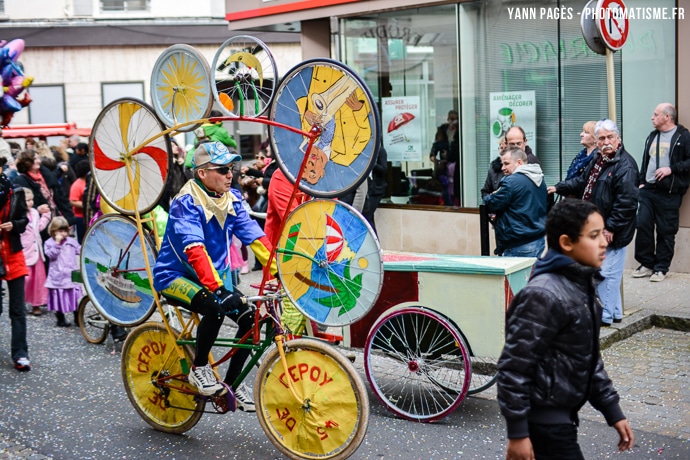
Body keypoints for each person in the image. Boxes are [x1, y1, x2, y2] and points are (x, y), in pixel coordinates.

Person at [497, 198, 634, 460]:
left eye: (603, 233)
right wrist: (518, 434)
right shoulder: (544, 294)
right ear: (566, 243)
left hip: (562, 420)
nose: (604, 242)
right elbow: (514, 367)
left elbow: (586, 357)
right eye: (594, 236)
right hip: (545, 425)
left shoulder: (582, 287)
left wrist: (612, 410)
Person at [153, 141, 274, 410]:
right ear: (202, 173)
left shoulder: (233, 198)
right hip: (174, 276)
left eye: (231, 168)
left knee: (252, 319)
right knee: (215, 307)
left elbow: (254, 236)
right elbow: (194, 250)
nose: (230, 174)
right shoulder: (186, 201)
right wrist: (219, 289)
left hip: (211, 279)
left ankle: (231, 384)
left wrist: (280, 270)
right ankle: (199, 367)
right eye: (222, 169)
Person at [548, 119, 639, 326]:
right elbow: (582, 182)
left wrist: (611, 227)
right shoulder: (598, 159)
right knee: (609, 273)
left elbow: (627, 203)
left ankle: (603, 318)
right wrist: (559, 187)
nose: (606, 142)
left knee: (606, 274)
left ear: (618, 139)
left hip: (611, 230)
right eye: (602, 138)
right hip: (597, 226)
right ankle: (614, 313)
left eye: (610, 137)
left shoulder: (625, 165)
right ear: (597, 141)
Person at [633, 103, 690, 282]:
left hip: (670, 191)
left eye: (656, 114)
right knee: (642, 225)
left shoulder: (683, 136)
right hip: (648, 189)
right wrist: (641, 182)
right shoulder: (652, 136)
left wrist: (671, 169)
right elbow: (645, 160)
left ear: (667, 117)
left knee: (666, 230)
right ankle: (647, 264)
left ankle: (661, 268)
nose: (652, 117)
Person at [482, 147, 547, 257]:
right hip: (538, 240)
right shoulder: (539, 178)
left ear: (519, 162)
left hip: (519, 243)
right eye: (502, 164)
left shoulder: (511, 181)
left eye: (506, 163)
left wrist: (492, 195)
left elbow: (490, 204)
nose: (503, 168)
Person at [0, 175, 31, 371]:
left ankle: (20, 354)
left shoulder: (15, 191)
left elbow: (23, 220)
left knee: (18, 309)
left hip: (13, 254)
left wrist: (15, 225)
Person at [12, 150, 75, 234]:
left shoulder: (46, 173)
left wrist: (69, 218)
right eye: (35, 159)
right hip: (40, 222)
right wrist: (36, 209)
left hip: (57, 217)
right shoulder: (21, 180)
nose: (39, 161)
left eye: (38, 158)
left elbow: (61, 196)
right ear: (27, 162)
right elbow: (21, 204)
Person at [44, 216, 83, 327]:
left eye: (65, 231)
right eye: (60, 231)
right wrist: (57, 243)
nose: (63, 234)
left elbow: (79, 249)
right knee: (59, 297)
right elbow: (51, 255)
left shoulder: (71, 242)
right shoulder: (49, 243)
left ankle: (77, 318)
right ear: (53, 231)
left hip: (70, 274)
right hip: (57, 276)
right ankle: (60, 318)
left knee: (74, 298)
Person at [20, 188, 51, 316]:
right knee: (26, 280)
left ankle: (36, 304)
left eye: (31, 199)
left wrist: (46, 215)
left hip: (37, 251)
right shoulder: (18, 215)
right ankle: (21, 303)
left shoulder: (34, 212)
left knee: (38, 280)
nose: (30, 203)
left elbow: (39, 228)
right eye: (27, 200)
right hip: (25, 251)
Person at [362, 144, 388, 233]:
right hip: (367, 189)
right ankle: (375, 244)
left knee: (366, 218)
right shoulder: (365, 151)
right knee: (369, 219)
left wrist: (372, 164)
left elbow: (384, 169)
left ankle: (374, 244)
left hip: (376, 190)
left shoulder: (380, 150)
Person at [69, 161, 90, 243]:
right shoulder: (77, 184)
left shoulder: (89, 181)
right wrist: (87, 205)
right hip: (80, 217)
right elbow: (73, 201)